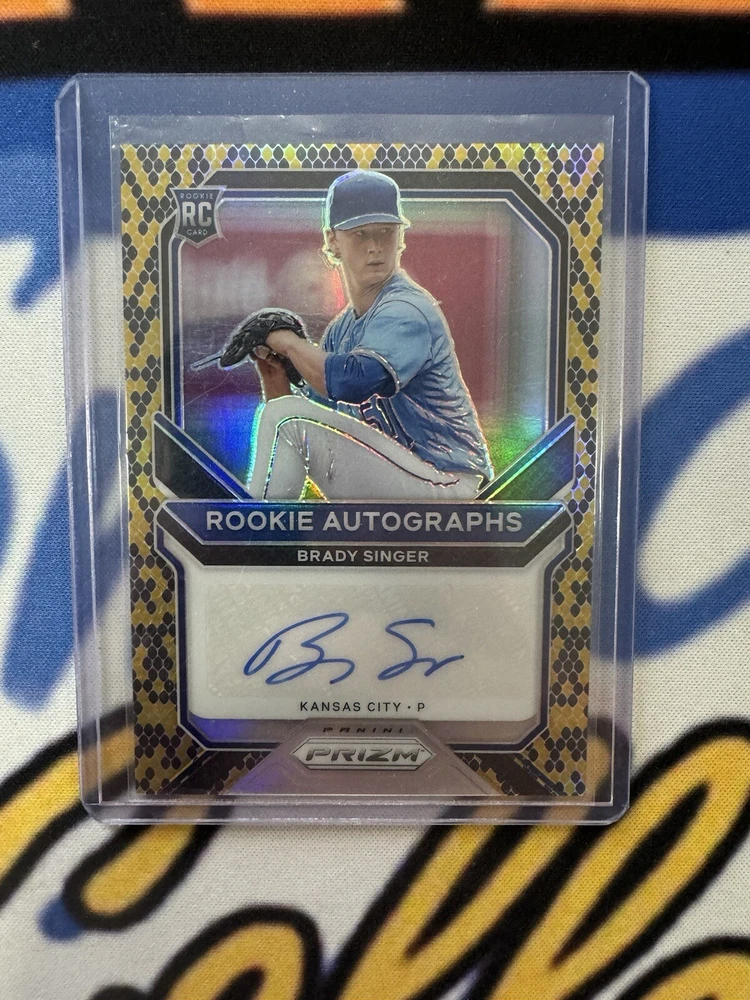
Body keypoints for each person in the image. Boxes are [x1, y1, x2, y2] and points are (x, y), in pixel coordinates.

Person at [247, 169, 493, 501]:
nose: (375, 247)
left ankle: (257, 530)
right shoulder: (341, 330)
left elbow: (354, 380)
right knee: (283, 414)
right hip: (405, 475)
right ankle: (267, 529)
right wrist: (277, 380)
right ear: (333, 240)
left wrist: (289, 343)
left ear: (400, 238)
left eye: (385, 233)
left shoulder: (407, 308)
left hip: (449, 482)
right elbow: (316, 428)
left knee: (284, 416)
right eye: (361, 234)